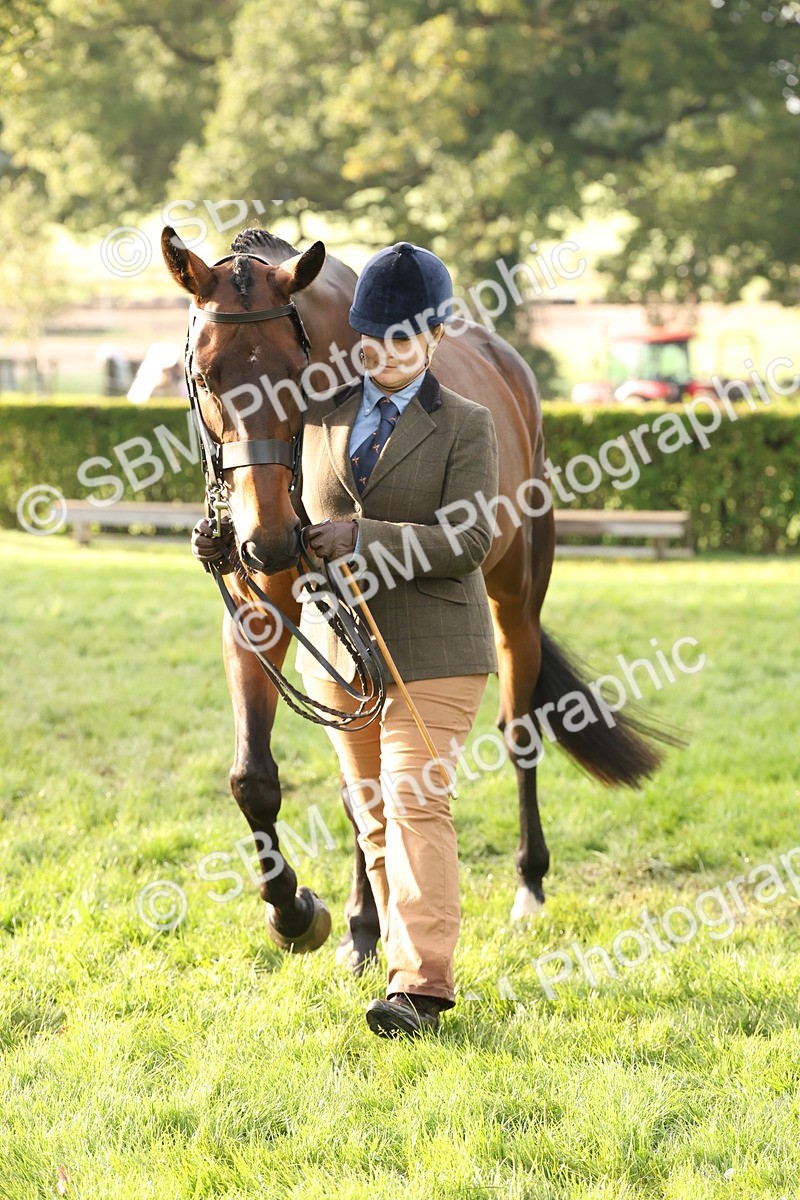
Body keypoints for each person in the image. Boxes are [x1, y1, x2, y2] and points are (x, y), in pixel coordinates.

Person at [194, 242, 499, 1038]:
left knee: (414, 801)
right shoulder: (316, 415)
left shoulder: (467, 424)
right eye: (373, 339)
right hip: (343, 652)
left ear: (433, 341)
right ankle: (398, 953)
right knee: (370, 815)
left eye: (404, 340)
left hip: (435, 649)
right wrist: (223, 545)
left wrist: (364, 537)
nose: (386, 355)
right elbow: (284, 525)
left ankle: (421, 989)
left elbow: (469, 538)